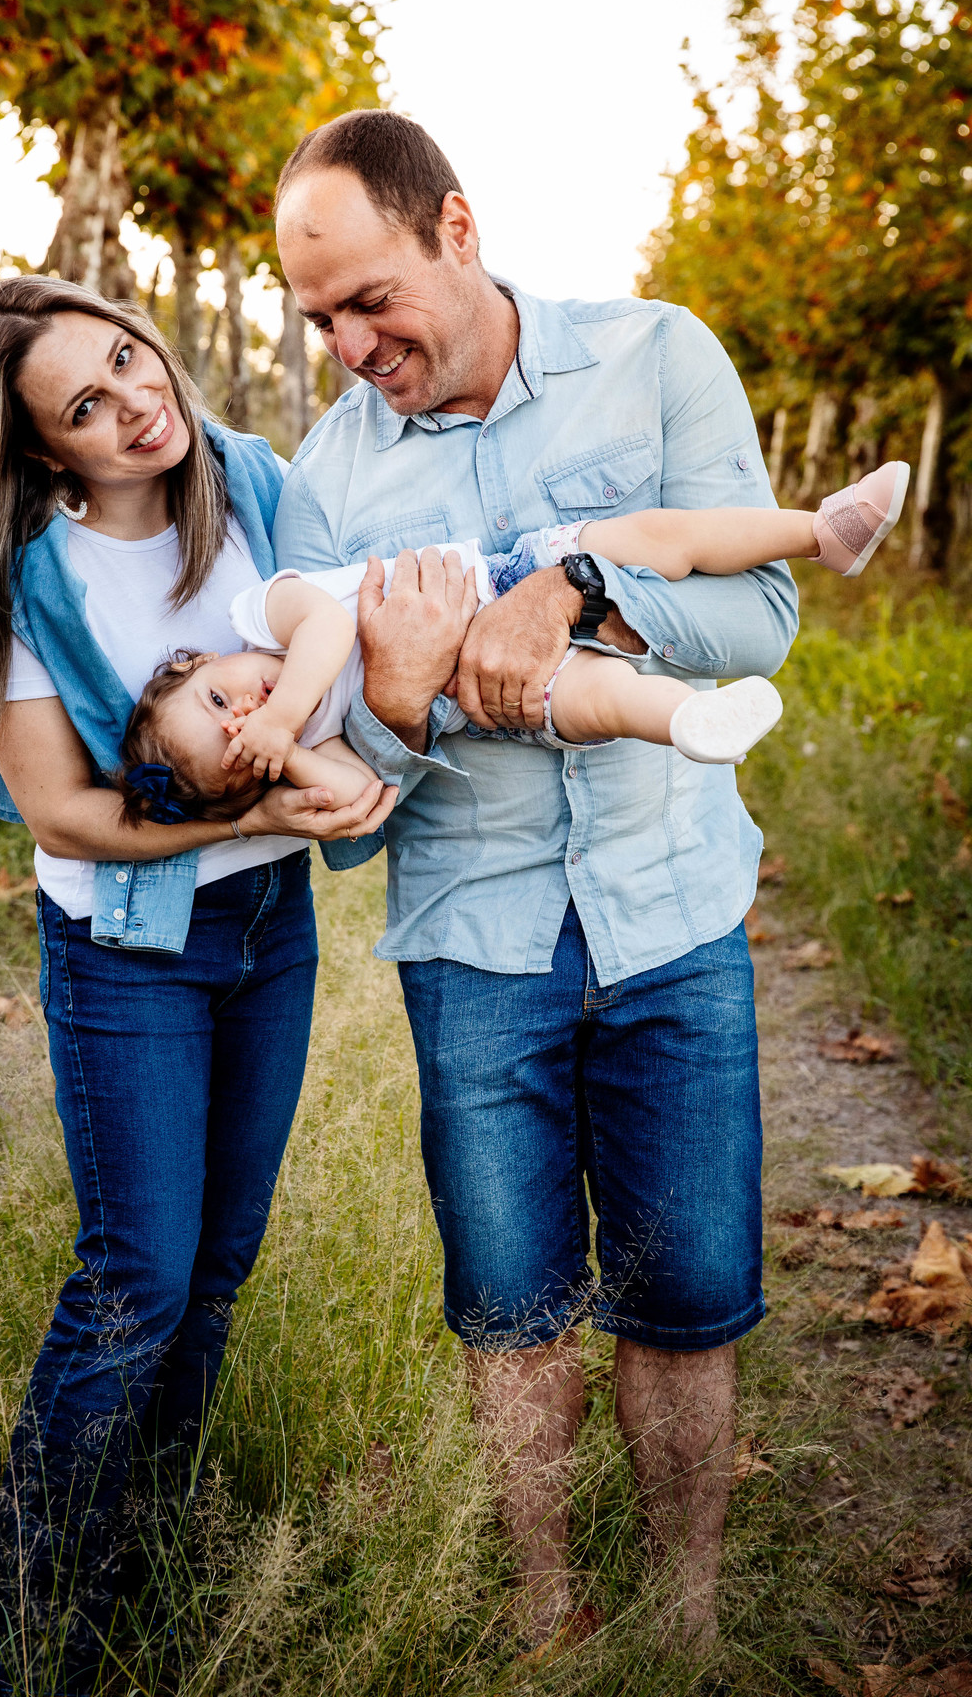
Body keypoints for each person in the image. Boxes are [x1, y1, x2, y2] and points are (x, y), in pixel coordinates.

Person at [271, 108, 806, 1658]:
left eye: (372, 298)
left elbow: (762, 618)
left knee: (688, 1292)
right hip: (475, 939)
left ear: (455, 226)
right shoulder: (326, 481)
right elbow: (352, 820)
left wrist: (579, 589)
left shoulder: (656, 356)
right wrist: (401, 686)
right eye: (318, 320)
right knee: (510, 1306)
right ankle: (543, 1618)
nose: (351, 344)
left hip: (671, 907)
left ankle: (686, 1623)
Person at [0, 275, 394, 1695]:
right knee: (134, 1283)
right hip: (130, 952)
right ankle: (16, 1648)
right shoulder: (32, 581)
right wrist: (257, 817)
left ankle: (144, 1577)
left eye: (128, 360)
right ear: (46, 451)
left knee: (215, 1277)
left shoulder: (250, 481)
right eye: (86, 406)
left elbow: (342, 635)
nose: (136, 402)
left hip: (265, 938)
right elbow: (61, 812)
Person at [115, 462, 907, 828]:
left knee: (653, 538)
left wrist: (279, 722)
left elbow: (328, 628)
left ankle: (819, 532)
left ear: (199, 661)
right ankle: (692, 723)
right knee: (597, 698)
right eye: (238, 746)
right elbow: (355, 794)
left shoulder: (265, 615)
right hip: (474, 695)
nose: (245, 712)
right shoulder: (300, 737)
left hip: (506, 573)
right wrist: (278, 758)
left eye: (220, 699)